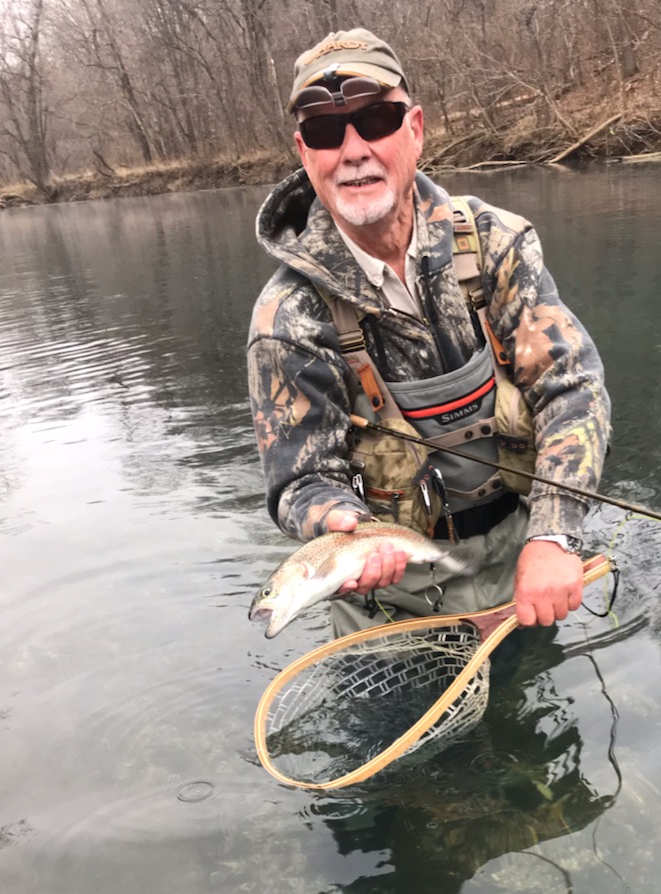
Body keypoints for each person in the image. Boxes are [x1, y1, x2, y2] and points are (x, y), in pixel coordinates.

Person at [247, 29, 611, 635]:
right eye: (326, 132)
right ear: (305, 153)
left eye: (375, 120)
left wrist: (554, 534)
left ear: (414, 128)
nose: (353, 150)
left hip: (524, 563)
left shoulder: (495, 243)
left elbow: (573, 389)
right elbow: (299, 481)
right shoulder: (285, 318)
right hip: (392, 607)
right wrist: (337, 520)